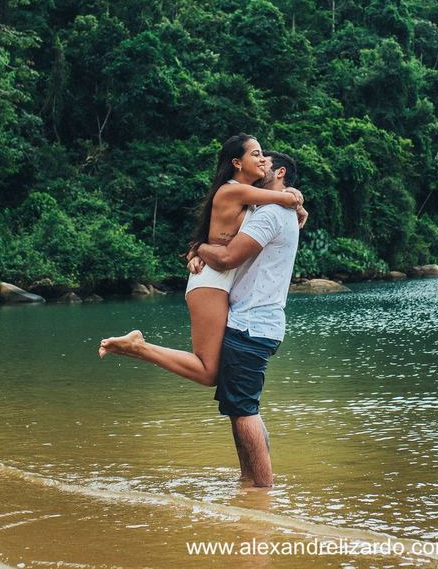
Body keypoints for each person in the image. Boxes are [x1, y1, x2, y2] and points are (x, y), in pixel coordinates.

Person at [98, 135, 306, 388]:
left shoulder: (252, 198)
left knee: (215, 372)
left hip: (221, 281)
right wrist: (294, 199)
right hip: (212, 280)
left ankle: (137, 346)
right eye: (256, 154)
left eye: (264, 157)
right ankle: (138, 347)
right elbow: (286, 200)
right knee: (209, 372)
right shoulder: (234, 190)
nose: (262, 160)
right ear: (237, 163)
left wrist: (293, 198)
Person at [192, 150, 302, 487]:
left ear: (280, 172)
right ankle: (249, 481)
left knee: (243, 409)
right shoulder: (270, 208)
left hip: (251, 323)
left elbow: (226, 258)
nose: (261, 164)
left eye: (266, 160)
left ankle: (263, 489)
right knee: (240, 407)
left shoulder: (270, 213)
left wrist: (198, 248)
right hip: (255, 321)